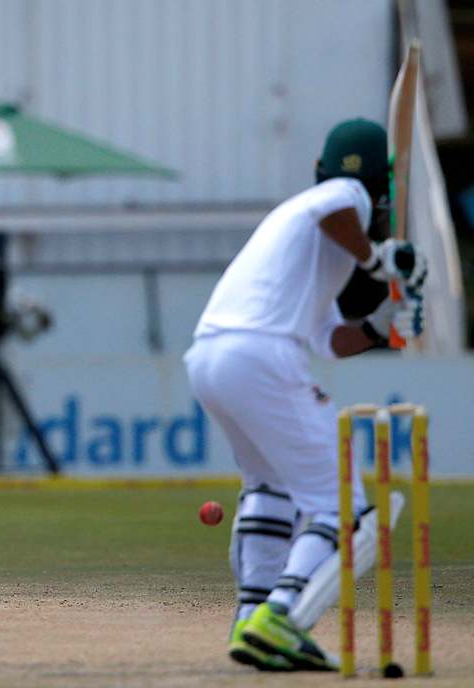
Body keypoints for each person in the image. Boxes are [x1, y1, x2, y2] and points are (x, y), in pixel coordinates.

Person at [183, 119, 427, 670]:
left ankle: (251, 620)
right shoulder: (344, 199)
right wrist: (378, 259)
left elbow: (331, 340)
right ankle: (283, 615)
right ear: (380, 186)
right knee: (351, 511)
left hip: (211, 356)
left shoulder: (303, 230)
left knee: (269, 487)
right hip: (261, 357)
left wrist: (381, 325)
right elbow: (341, 208)